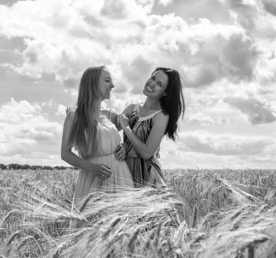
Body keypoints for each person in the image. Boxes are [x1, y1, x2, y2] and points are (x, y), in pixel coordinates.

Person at [61, 66, 134, 212]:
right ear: (92, 84)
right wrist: (92, 168)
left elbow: (130, 127)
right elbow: (65, 153)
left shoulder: (108, 115)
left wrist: (123, 147)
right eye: (107, 81)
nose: (112, 85)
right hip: (93, 179)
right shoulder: (74, 116)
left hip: (120, 177)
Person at [116, 67, 185, 188]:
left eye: (159, 84)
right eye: (153, 78)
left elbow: (147, 153)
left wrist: (127, 128)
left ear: (165, 92)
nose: (152, 84)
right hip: (125, 171)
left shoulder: (161, 115)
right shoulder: (132, 109)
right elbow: (109, 132)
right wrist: (122, 146)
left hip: (147, 176)